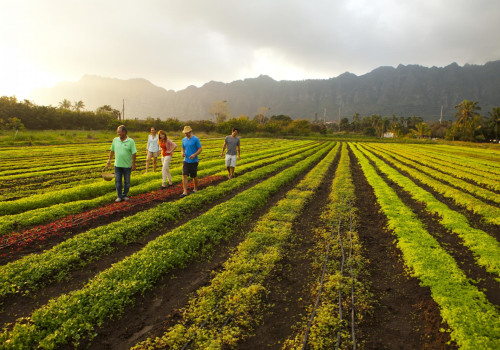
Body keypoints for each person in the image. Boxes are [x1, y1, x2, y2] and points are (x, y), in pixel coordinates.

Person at [107, 125, 137, 202]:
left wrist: (133, 163)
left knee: (127, 182)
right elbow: (112, 150)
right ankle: (119, 196)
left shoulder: (131, 141)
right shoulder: (115, 140)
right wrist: (109, 160)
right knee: (118, 181)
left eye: (119, 132)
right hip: (117, 165)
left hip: (127, 165)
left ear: (124, 132)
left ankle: (124, 195)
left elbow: (134, 153)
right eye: (117, 132)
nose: (118, 133)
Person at [180, 125, 202, 198]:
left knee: (194, 176)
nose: (186, 134)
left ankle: (195, 189)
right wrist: (182, 153)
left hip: (194, 161)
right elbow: (182, 148)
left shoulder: (196, 139)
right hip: (186, 160)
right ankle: (185, 191)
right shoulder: (184, 139)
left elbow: (200, 149)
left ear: (190, 132)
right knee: (184, 175)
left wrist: (194, 154)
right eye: (185, 133)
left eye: (187, 133)